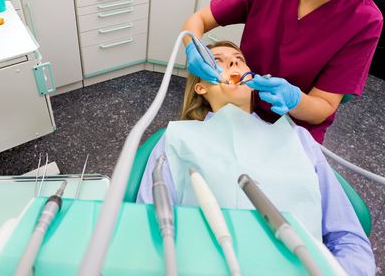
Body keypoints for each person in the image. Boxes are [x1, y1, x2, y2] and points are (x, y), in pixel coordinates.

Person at [137, 42, 375, 276]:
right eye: (217, 60)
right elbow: (146, 227)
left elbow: (348, 237)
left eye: (239, 60)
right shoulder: (178, 137)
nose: (233, 62)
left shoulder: (297, 139)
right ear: (201, 88)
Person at [182, 0, 385, 143]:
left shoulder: (364, 21)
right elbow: (199, 20)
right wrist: (192, 46)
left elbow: (323, 107)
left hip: (294, 129)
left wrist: (296, 100)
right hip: (242, 109)